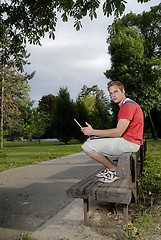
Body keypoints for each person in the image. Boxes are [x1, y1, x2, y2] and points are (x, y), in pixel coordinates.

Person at [81, 81, 144, 183]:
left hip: (129, 143)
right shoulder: (126, 104)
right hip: (131, 142)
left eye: (116, 92)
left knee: (87, 146)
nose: (113, 95)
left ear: (123, 91)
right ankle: (109, 169)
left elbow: (118, 132)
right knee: (93, 140)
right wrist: (95, 134)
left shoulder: (128, 106)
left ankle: (113, 170)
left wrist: (93, 131)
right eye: (111, 93)